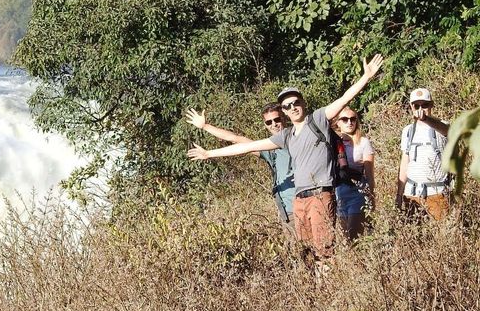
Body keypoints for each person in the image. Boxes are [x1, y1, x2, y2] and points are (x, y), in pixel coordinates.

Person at [188, 55, 384, 266]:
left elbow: (344, 99)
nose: (293, 107)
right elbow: (247, 146)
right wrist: (209, 152)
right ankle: (314, 293)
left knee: (324, 252)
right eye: (287, 105)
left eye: (295, 102)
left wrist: (366, 77)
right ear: (284, 111)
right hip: (299, 201)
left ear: (303, 103)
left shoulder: (317, 119)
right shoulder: (286, 136)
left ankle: (326, 292)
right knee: (306, 254)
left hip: (320, 195)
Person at [185, 104, 296, 239]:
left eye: (277, 120)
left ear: (284, 118)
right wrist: (205, 127)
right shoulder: (269, 149)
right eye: (269, 122)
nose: (274, 124)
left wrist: (209, 153)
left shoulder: (294, 137)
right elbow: (236, 139)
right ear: (265, 125)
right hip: (287, 212)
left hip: (302, 207)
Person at [397, 88, 451, 220]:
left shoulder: (442, 125)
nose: (421, 109)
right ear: (411, 107)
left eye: (425, 105)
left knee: (440, 237)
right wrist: (399, 194)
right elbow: (405, 162)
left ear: (431, 105)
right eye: (417, 105)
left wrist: (426, 119)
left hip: (437, 194)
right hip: (412, 194)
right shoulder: (408, 131)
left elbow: (446, 131)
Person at [333, 106, 375, 240]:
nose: (349, 122)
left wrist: (371, 196)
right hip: (339, 192)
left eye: (352, 119)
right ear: (338, 122)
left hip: (358, 192)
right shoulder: (333, 142)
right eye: (344, 119)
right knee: (345, 236)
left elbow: (369, 174)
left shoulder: (363, 142)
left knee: (354, 235)